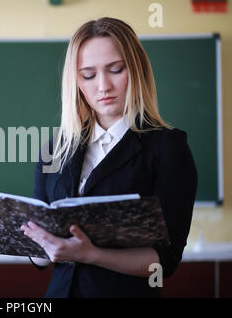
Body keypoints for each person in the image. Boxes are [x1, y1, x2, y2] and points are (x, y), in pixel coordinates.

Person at [20, 17, 198, 298]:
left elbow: (164, 263)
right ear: (75, 82)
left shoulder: (168, 147)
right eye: (88, 75)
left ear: (136, 70)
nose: (103, 86)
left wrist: (92, 254)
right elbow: (40, 250)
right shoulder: (56, 147)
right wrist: (42, 245)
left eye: (115, 70)